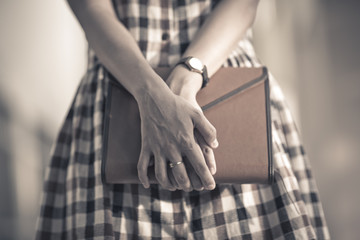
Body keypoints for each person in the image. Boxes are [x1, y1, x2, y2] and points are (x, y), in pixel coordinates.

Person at [35, 0, 330, 239]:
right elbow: (89, 6)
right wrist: (151, 94)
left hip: (218, 78)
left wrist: (182, 82)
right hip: (121, 95)